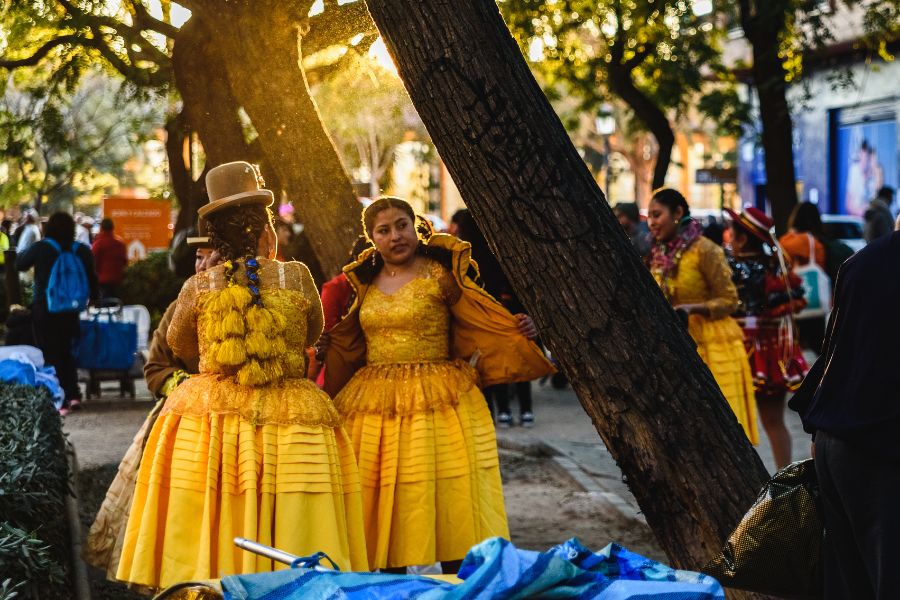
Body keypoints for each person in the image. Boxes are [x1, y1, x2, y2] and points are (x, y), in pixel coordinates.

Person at [112, 162, 367, 588]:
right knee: (295, 516)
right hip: (294, 419)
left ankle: (219, 586)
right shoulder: (297, 276)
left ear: (214, 237)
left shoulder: (197, 287)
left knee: (216, 512)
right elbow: (312, 332)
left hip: (213, 421)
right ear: (268, 230)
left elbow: (181, 347)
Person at [323, 197, 553, 572]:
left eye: (402, 225)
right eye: (384, 230)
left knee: (451, 497)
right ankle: (391, 588)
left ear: (415, 226)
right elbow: (349, 337)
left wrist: (519, 328)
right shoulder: (362, 282)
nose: (396, 236)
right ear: (372, 238)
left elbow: (480, 316)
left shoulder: (442, 274)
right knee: (385, 501)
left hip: (440, 402)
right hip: (375, 406)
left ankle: (460, 584)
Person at [85, 233, 214, 583]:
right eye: (199, 258)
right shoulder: (178, 308)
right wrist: (190, 388)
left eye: (212, 257)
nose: (204, 266)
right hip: (185, 430)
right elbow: (155, 368)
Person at [789, 229, 900, 599]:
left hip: (837, 440)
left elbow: (834, 348)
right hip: (881, 448)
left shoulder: (860, 261)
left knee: (850, 582)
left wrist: (817, 423)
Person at [647, 189, 758, 444]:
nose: (651, 222)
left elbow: (730, 300)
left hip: (714, 346)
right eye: (650, 216)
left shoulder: (706, 250)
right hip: (675, 345)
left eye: (657, 214)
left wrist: (693, 308)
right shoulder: (658, 254)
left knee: (717, 431)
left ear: (677, 213)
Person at [726, 208, 808, 468]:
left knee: (733, 421)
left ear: (740, 239)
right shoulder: (775, 268)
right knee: (774, 422)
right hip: (773, 353)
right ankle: (783, 479)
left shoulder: (733, 268)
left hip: (738, 351)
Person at [454, 208, 536, 427]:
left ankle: (500, 411)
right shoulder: (505, 250)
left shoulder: (466, 255)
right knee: (515, 358)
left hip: (485, 313)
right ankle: (524, 409)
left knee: (490, 363)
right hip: (509, 308)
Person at [16, 212, 99, 414]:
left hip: (45, 308)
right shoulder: (81, 249)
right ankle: (74, 395)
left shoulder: (43, 247)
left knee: (50, 353)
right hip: (71, 310)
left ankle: (59, 399)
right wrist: (95, 299)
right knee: (68, 351)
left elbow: (20, 263)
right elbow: (92, 278)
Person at [91, 218, 128, 300]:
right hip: (118, 279)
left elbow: (93, 262)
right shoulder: (120, 243)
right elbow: (124, 261)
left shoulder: (98, 244)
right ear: (113, 228)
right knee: (116, 305)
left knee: (104, 305)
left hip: (102, 281)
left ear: (101, 228)